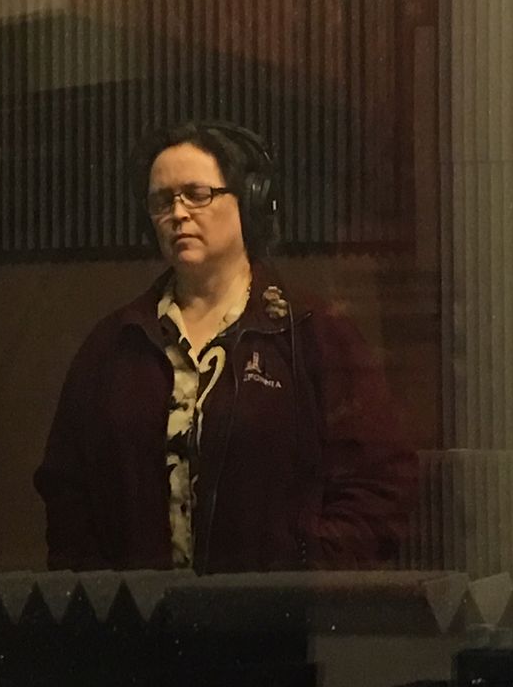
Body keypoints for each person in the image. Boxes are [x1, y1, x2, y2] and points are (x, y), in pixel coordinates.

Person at [34, 120, 417, 572]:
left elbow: (380, 483)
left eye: (197, 194)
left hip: (278, 611)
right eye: (162, 201)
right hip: (139, 614)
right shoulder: (113, 344)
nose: (177, 213)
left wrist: (304, 577)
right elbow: (67, 489)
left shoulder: (311, 333)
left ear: (250, 201)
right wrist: (107, 593)